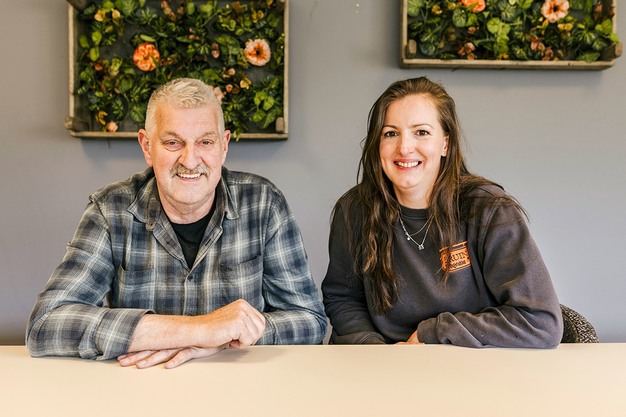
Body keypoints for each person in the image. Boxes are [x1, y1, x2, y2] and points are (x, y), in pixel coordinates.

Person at [27, 78, 327, 368]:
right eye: (173, 142)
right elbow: (45, 325)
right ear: (147, 147)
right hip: (140, 384)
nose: (190, 160)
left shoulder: (264, 203)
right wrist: (200, 329)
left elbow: (310, 320)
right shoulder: (110, 209)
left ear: (223, 146)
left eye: (205, 142)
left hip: (239, 385)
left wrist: (225, 339)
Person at [322, 77, 563, 347]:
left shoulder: (489, 210)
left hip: (472, 362)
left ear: (445, 144)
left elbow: (540, 321)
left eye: (421, 132)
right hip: (386, 362)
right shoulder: (354, 210)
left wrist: (433, 332)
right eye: (390, 133)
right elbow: (344, 299)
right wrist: (375, 349)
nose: (404, 147)